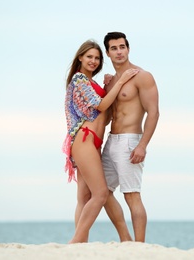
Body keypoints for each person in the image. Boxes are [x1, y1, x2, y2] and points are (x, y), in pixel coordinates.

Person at [62, 39, 138, 243]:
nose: (93, 61)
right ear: (80, 57)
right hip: (84, 139)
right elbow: (102, 105)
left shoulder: (93, 83)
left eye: (97, 58)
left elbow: (106, 113)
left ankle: (83, 243)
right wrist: (120, 81)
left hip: (94, 142)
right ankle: (76, 241)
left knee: (84, 197)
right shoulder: (79, 80)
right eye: (89, 57)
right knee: (101, 193)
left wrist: (107, 84)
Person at [102, 32, 160, 242]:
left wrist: (142, 145)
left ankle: (140, 246)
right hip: (111, 141)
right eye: (114, 48)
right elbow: (107, 115)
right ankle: (126, 240)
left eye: (122, 47)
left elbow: (153, 112)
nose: (119, 52)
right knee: (101, 192)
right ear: (107, 53)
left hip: (130, 141)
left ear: (128, 48)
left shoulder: (142, 76)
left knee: (132, 195)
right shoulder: (112, 81)